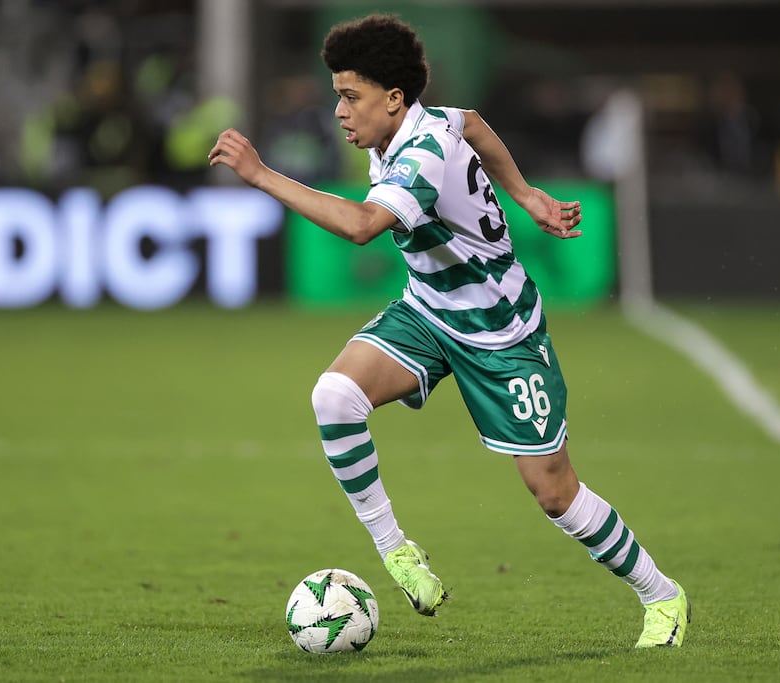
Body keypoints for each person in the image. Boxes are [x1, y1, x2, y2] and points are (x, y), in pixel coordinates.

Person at [208, 13, 690, 648]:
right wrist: (526, 195)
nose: (341, 113)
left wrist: (262, 175)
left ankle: (663, 595)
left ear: (394, 99)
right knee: (333, 396)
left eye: (350, 98)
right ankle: (396, 550)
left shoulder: (422, 155)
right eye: (337, 98)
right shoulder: (426, 124)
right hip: (430, 312)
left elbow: (360, 226)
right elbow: (477, 125)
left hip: (502, 333)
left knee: (555, 495)